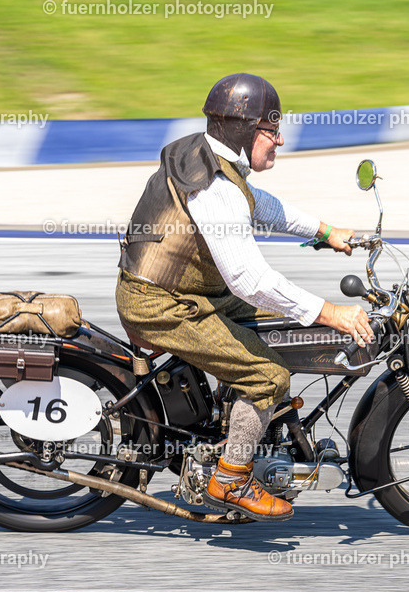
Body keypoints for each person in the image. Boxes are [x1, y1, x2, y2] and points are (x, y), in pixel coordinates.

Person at [116, 73, 372, 522]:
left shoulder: (205, 152)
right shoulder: (213, 188)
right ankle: (231, 477)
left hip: (186, 290)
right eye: (272, 130)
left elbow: (257, 203)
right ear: (244, 128)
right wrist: (330, 312)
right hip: (164, 304)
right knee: (266, 374)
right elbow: (248, 279)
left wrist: (324, 231)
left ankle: (233, 425)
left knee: (280, 328)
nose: (280, 140)